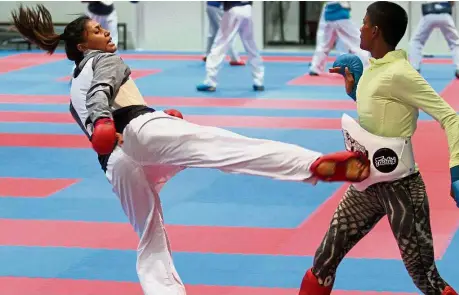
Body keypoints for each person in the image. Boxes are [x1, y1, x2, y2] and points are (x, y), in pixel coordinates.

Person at [298, 2, 458, 295]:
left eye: (363, 22)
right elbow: (378, 115)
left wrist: (457, 171)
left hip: (402, 190)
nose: (358, 27)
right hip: (365, 184)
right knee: (323, 261)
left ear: (375, 31)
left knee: (425, 278)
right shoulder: (374, 68)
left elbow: (450, 117)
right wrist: (355, 90)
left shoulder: (401, 73)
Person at [196, 1, 264, 92]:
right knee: (251, 45)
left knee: (220, 45)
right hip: (247, 9)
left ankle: (210, 81)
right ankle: (258, 81)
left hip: (233, 10)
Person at [309, 1, 369, 76]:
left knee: (324, 44)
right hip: (340, 14)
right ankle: (365, 68)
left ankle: (315, 67)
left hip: (328, 15)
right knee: (358, 41)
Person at [409, 1, 459, 78]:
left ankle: (415, 68)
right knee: (455, 43)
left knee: (416, 41)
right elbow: (452, 2)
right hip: (445, 13)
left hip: (429, 12)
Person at [203, 1, 245, 66]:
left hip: (210, 6)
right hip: (218, 6)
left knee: (213, 31)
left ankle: (207, 54)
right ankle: (234, 59)